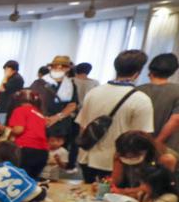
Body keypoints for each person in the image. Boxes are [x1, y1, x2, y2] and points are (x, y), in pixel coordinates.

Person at [76, 50, 153, 183]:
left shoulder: (94, 92)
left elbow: (83, 127)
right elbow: (141, 137)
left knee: (86, 193)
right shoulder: (141, 99)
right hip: (117, 164)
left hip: (87, 158)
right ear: (137, 73)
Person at [3, 88, 66, 179]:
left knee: (19, 179)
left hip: (26, 149)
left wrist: (3, 129)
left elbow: (18, 130)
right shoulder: (39, 113)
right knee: (32, 180)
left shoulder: (20, 110)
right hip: (42, 152)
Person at [32, 54, 79, 146]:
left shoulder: (71, 85)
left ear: (68, 69)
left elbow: (72, 105)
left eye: (63, 66)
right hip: (40, 122)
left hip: (60, 126)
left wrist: (56, 117)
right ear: (51, 67)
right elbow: (31, 102)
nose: (59, 68)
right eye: (56, 66)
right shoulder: (39, 83)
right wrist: (42, 118)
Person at [139, 53, 179, 153]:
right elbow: (175, 120)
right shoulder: (177, 91)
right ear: (173, 71)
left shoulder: (137, 90)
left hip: (137, 144)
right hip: (165, 148)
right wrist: (156, 142)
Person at [0, 59, 25, 125]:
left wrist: (5, 76)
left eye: (6, 69)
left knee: (2, 126)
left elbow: (1, 89)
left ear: (13, 70)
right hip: (3, 107)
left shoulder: (16, 78)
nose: (5, 72)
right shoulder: (11, 78)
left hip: (7, 107)